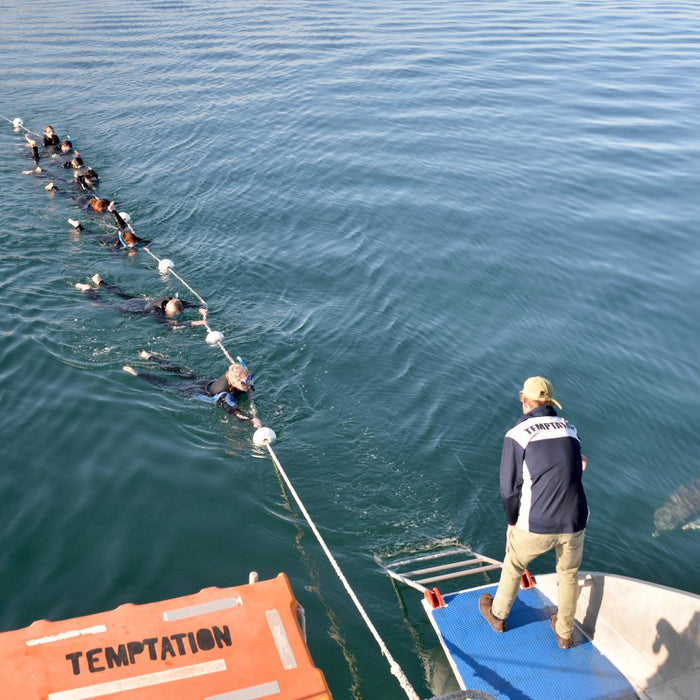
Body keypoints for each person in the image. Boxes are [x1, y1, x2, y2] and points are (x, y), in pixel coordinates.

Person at [478, 376, 588, 650]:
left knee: (514, 562)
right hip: (576, 519)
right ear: (551, 402)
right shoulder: (570, 429)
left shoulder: (518, 434)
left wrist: (511, 522)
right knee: (568, 573)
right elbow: (580, 464)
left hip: (537, 522)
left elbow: (508, 490)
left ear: (525, 402)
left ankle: (498, 616)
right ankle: (564, 634)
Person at [123, 355, 263, 427]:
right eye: (246, 382)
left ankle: (150, 357)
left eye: (250, 378)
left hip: (207, 381)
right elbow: (234, 412)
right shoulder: (224, 396)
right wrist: (251, 419)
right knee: (167, 384)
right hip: (198, 391)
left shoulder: (235, 377)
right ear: (233, 381)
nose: (249, 383)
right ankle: (137, 373)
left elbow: (245, 383)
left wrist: (248, 391)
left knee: (180, 372)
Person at [75, 274, 206, 328]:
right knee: (101, 304)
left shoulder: (170, 300)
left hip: (140, 301)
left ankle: (100, 282)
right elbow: (170, 326)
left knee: (122, 294)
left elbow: (184, 303)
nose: (175, 316)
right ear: (166, 310)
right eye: (174, 314)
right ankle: (87, 289)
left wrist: (199, 306)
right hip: (133, 309)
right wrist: (195, 323)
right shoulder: (157, 312)